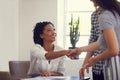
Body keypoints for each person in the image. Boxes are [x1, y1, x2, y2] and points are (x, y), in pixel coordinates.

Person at [70, 0, 120, 80]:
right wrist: (79, 50)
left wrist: (95, 59)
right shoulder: (108, 13)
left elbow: (114, 50)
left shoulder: (105, 16)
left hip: (112, 64)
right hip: (101, 66)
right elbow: (100, 42)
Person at [79, 0, 104, 80]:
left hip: (114, 64)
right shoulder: (95, 15)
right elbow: (93, 40)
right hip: (98, 67)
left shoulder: (116, 12)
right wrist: (84, 64)